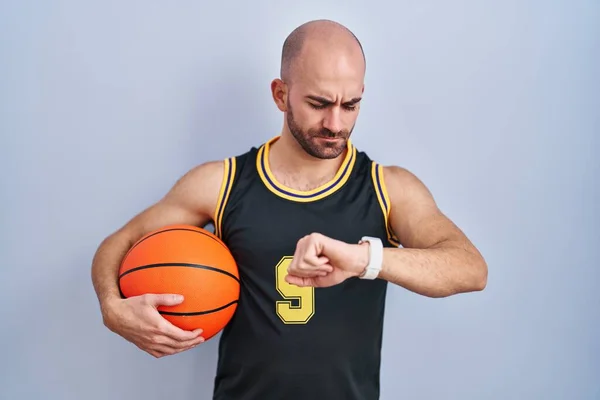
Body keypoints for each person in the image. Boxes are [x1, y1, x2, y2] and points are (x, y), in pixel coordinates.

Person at [91, 19, 488, 400]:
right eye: (318, 103)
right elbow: (121, 242)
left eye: (350, 105)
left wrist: (364, 259)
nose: (336, 122)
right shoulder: (221, 183)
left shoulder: (388, 189)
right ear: (281, 94)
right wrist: (112, 306)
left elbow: (470, 268)